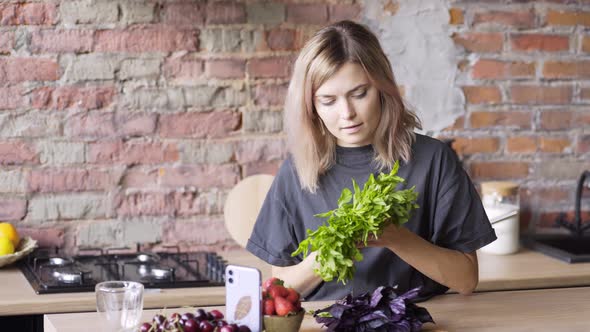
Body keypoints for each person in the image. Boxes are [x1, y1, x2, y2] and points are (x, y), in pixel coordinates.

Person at [245, 20, 497, 302]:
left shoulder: (433, 160)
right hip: (326, 321)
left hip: (419, 319)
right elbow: (278, 289)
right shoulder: (297, 170)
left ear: (382, 88)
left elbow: (465, 279)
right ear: (311, 107)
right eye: (328, 100)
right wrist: (335, 248)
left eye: (359, 93)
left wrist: (394, 238)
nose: (347, 113)